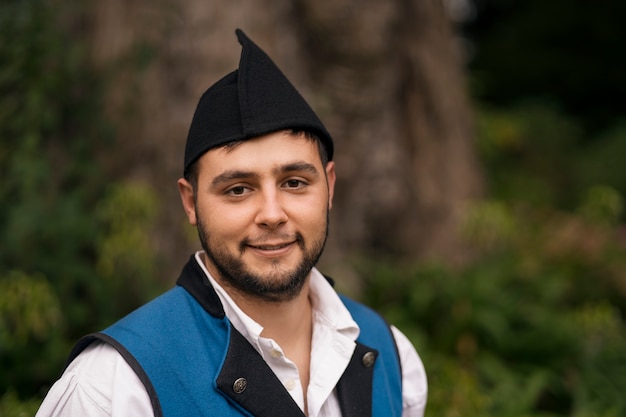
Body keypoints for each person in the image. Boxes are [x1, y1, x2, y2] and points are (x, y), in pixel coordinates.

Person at [36, 29, 427, 417]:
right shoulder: (111, 388)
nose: (272, 214)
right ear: (190, 202)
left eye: (294, 183)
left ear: (329, 187)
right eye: (238, 189)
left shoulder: (392, 356)